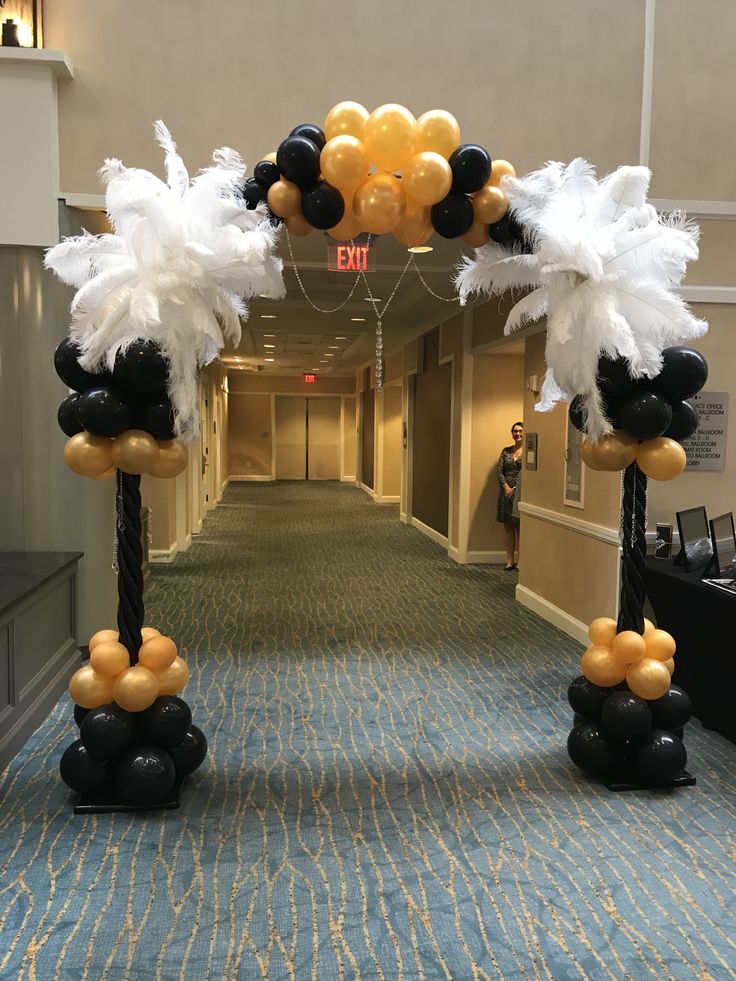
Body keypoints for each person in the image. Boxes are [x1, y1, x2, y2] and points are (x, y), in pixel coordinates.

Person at [496, 421, 524, 571]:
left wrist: (515, 489)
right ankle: (509, 560)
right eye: (515, 431)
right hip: (505, 494)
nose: (517, 434)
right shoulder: (506, 451)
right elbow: (499, 471)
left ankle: (521, 561)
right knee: (508, 528)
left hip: (520, 493)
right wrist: (506, 487)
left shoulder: (528, 451)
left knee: (520, 528)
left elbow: (527, 474)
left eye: (520, 431)